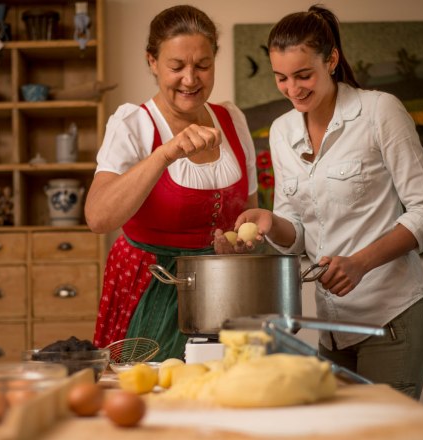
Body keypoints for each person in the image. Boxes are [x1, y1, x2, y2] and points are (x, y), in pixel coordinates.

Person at [215, 5, 423, 399]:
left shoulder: (379, 111)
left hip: (392, 319)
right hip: (332, 330)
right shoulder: (282, 130)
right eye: (281, 78)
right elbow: (298, 233)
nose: (293, 89)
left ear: (332, 59)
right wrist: (271, 221)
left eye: (304, 75)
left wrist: (360, 263)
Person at [85, 5, 258, 360]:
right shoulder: (133, 124)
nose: (190, 79)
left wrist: (242, 241)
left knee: (222, 401)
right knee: (152, 400)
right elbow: (98, 218)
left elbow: (251, 212)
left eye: (203, 65)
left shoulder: (232, 119)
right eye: (176, 66)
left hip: (223, 292)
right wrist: (164, 154)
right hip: (151, 289)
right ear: (152, 62)